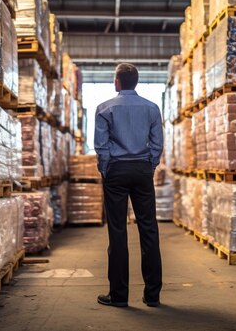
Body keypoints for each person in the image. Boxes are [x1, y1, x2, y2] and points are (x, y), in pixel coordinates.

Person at [94, 63, 164, 308]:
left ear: (117, 82)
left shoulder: (104, 109)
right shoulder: (152, 108)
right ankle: (153, 295)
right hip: (142, 170)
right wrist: (150, 165)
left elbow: (101, 147)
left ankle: (119, 295)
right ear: (135, 82)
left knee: (117, 231)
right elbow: (157, 144)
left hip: (116, 170)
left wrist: (106, 169)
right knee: (149, 229)